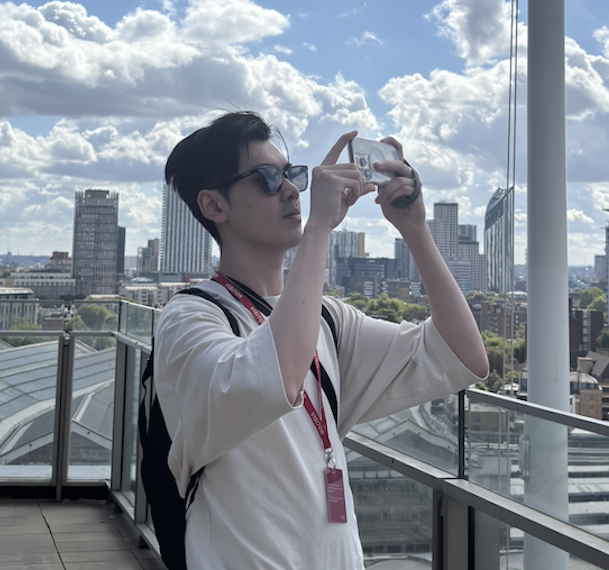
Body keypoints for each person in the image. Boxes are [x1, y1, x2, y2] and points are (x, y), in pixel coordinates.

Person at [154, 111, 489, 569]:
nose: (292, 189)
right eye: (269, 178)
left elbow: (462, 356)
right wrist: (318, 229)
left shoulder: (328, 319)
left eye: (291, 174)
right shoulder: (190, 317)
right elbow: (275, 376)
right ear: (214, 206)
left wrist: (414, 229)